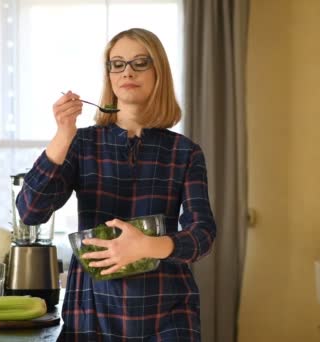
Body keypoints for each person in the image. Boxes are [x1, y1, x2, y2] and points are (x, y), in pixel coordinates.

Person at [16, 28, 216, 341]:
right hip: (92, 311)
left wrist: (148, 246)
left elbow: (203, 235)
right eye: (117, 63)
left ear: (158, 72)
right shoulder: (81, 143)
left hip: (169, 313)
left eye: (140, 62)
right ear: (109, 75)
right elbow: (30, 212)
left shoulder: (185, 151)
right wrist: (63, 134)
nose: (127, 71)